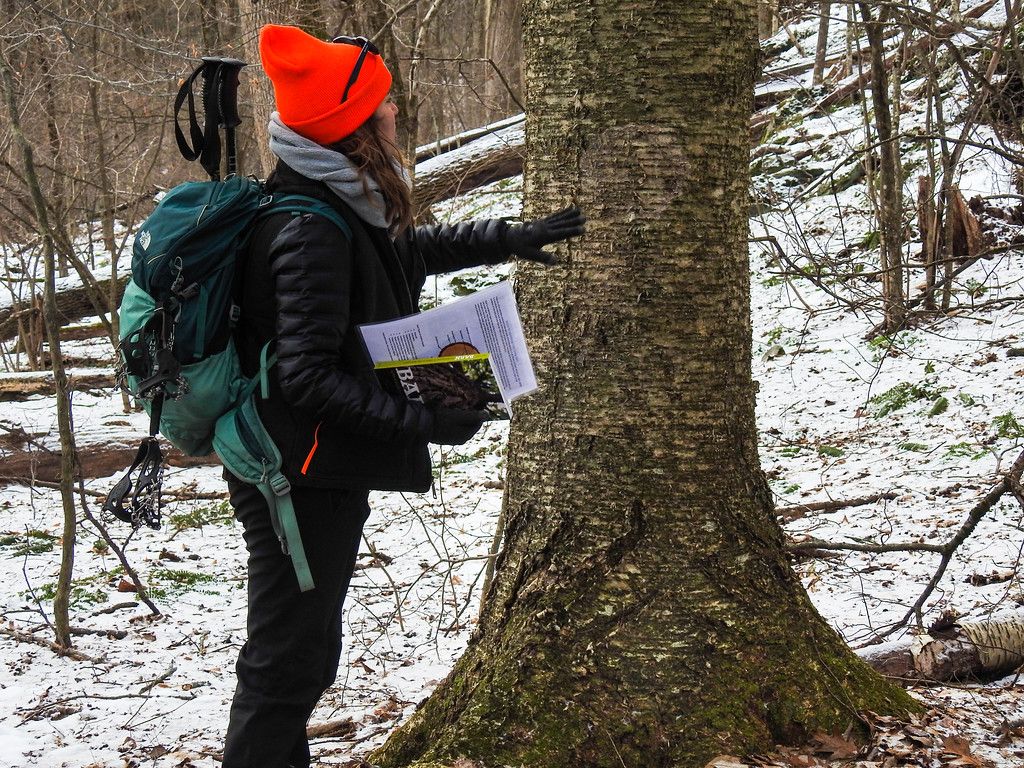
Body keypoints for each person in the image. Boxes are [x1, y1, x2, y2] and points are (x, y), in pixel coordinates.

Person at [221, 24, 585, 768]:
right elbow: (307, 378)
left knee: (304, 652)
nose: (395, 115)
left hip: (316, 467)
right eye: (382, 107)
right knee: (287, 659)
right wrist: (423, 419)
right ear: (350, 125)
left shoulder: (329, 193)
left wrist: (506, 237)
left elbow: (399, 252)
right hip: (294, 475)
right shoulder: (306, 226)